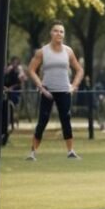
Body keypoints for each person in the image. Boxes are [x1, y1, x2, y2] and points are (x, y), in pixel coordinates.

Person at [24, 22, 84, 160]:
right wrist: (41, 87)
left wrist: (73, 86)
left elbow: (80, 70)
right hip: (48, 91)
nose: (59, 34)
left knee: (66, 120)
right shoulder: (42, 52)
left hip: (64, 91)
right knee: (42, 121)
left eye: (61, 32)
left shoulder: (68, 51)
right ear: (51, 33)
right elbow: (31, 70)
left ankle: (71, 152)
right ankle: (32, 153)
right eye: (56, 31)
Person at [1, 56, 26, 144]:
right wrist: (5, 87)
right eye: (13, 62)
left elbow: (20, 83)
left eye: (16, 62)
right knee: (4, 108)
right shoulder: (8, 71)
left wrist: (11, 88)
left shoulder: (19, 71)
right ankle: (3, 132)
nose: (15, 64)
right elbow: (4, 82)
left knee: (9, 107)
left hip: (13, 94)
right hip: (5, 94)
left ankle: (7, 130)